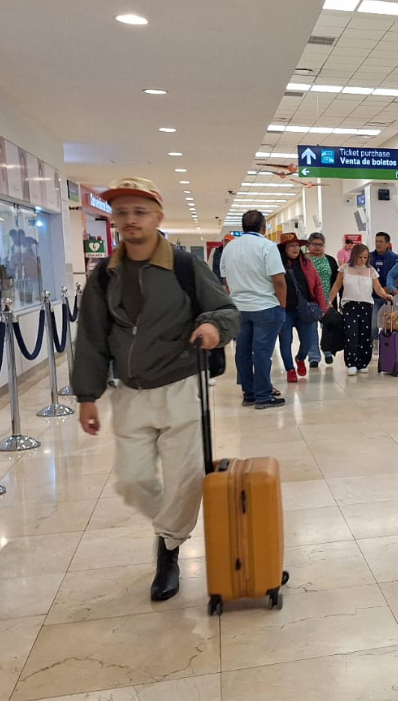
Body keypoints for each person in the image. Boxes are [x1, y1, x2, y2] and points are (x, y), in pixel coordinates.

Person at [71, 177, 238, 601]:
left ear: (158, 217)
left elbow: (224, 309)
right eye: (122, 212)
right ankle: (171, 527)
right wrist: (87, 396)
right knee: (132, 480)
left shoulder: (183, 265)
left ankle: (168, 549)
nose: (129, 220)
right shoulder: (104, 276)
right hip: (130, 392)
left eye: (139, 212)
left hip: (181, 386)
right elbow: (91, 337)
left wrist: (212, 327)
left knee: (186, 479)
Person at [221, 210, 287, 409]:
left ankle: (248, 394)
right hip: (265, 306)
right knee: (261, 353)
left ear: (243, 227)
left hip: (239, 308)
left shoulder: (229, 248)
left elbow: (226, 281)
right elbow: (279, 280)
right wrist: (282, 306)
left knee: (242, 352)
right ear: (263, 227)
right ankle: (263, 396)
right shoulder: (267, 246)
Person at [329, 242, 393, 374]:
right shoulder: (344, 269)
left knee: (365, 334)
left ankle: (363, 362)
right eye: (360, 257)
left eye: (365, 257)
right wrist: (329, 301)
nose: (362, 260)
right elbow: (336, 286)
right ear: (354, 256)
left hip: (366, 305)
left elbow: (378, 287)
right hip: (349, 305)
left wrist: (385, 295)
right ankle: (351, 362)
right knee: (351, 334)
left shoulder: (371, 271)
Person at [276, 233, 325, 383]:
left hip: (305, 309)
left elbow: (317, 285)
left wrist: (322, 307)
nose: (296, 248)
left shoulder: (306, 263)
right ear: (284, 248)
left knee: (308, 341)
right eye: (292, 246)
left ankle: (300, 358)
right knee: (285, 341)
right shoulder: (276, 265)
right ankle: (290, 369)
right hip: (284, 310)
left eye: (297, 245)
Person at [306, 232, 340, 364]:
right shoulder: (303, 260)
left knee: (328, 326)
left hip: (327, 298)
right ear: (309, 245)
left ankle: (327, 351)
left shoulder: (330, 260)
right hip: (309, 300)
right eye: (314, 244)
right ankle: (313, 356)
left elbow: (337, 281)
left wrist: (335, 299)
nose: (317, 247)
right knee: (311, 329)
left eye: (320, 245)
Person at [369, 231, 398, 336]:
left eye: (381, 242)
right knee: (373, 323)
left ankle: (388, 344)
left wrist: (387, 289)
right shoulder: (369, 257)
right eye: (376, 241)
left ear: (387, 244)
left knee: (390, 323)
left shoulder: (395, 258)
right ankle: (374, 343)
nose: (378, 244)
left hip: (389, 296)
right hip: (373, 296)